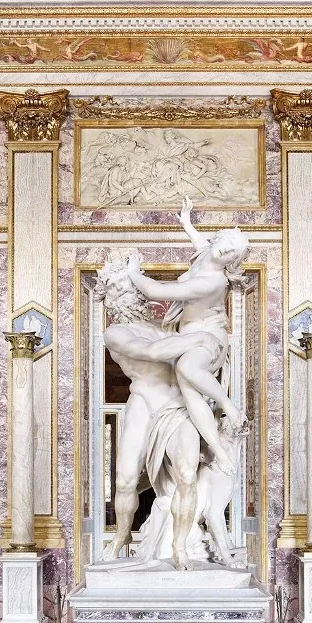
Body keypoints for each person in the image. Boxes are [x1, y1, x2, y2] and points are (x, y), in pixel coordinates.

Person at [106, 200, 248, 472]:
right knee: (191, 394)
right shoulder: (208, 252)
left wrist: (133, 273)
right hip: (189, 337)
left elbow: (156, 292)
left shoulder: (213, 281)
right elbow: (202, 246)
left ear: (233, 262)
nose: (225, 249)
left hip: (208, 337)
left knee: (186, 368)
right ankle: (220, 452)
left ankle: (229, 407)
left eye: (232, 252)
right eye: (226, 242)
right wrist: (187, 224)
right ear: (219, 238)